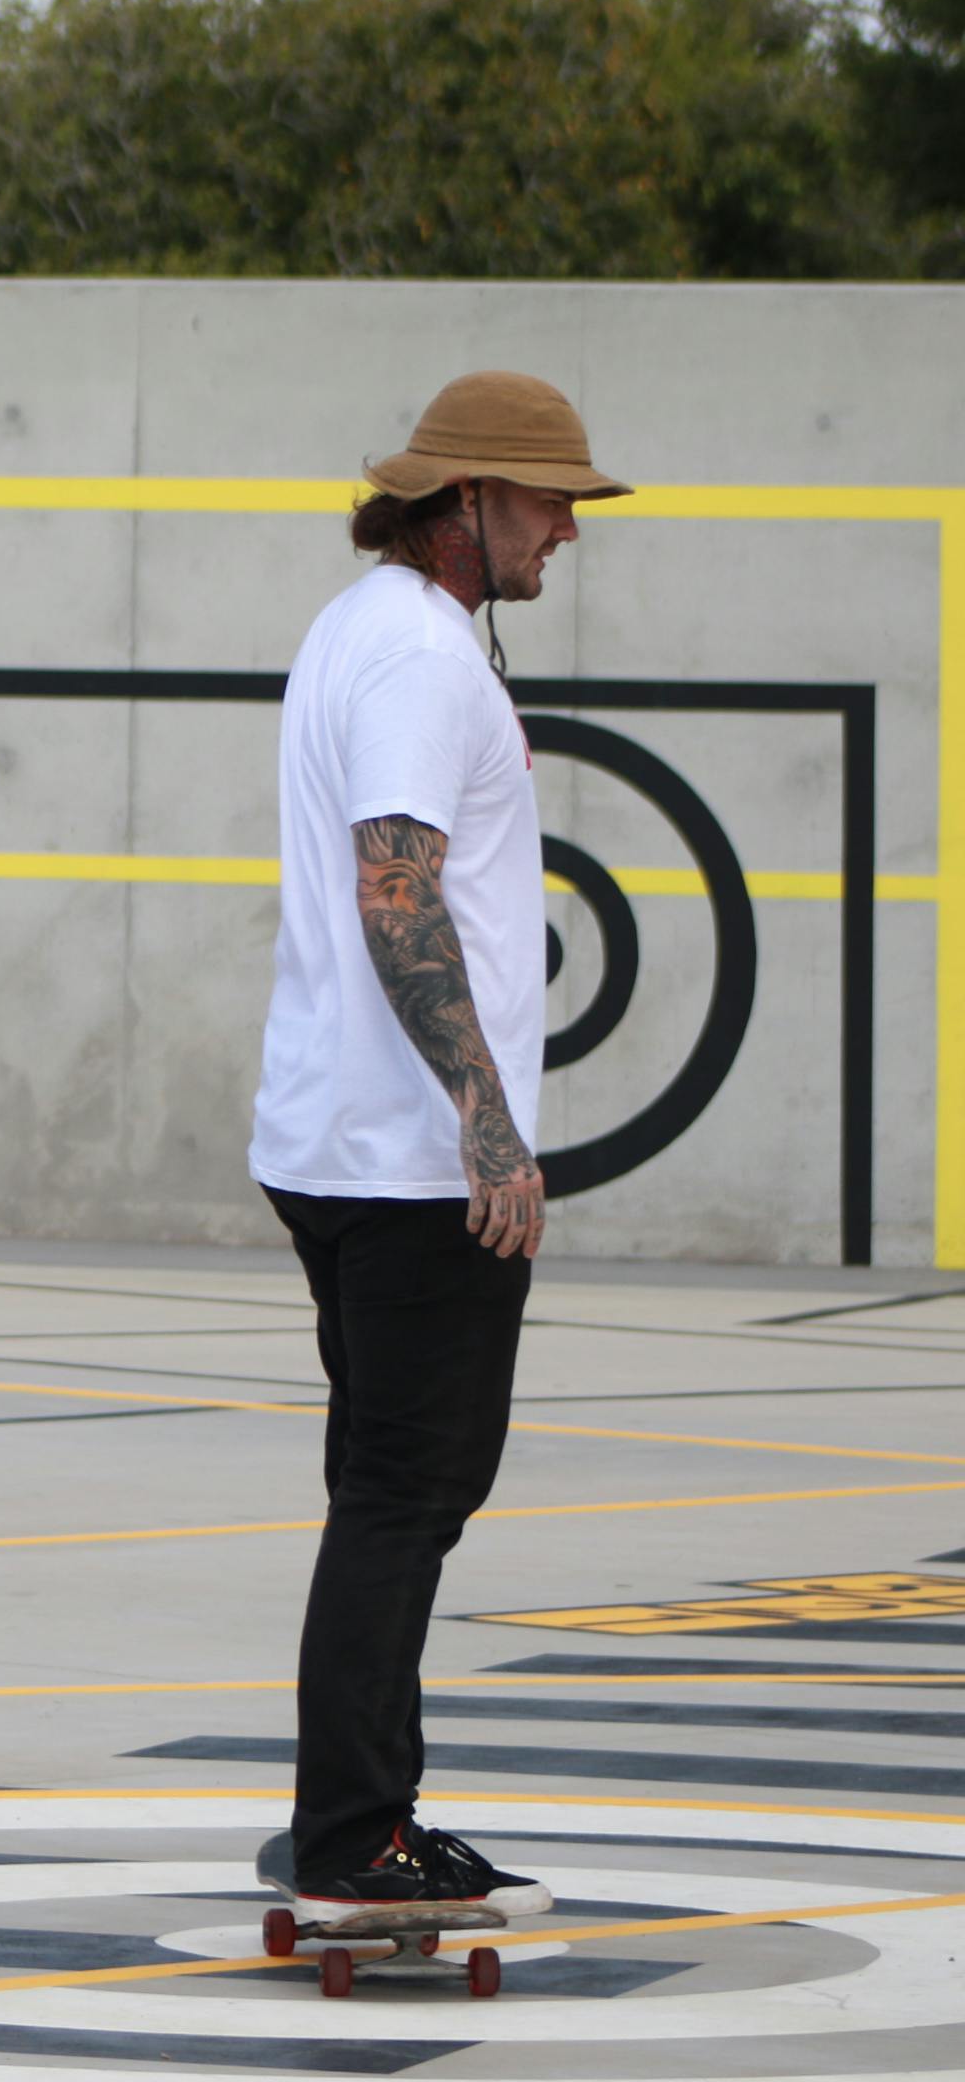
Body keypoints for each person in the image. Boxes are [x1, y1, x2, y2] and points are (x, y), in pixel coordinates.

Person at [247, 371, 628, 1924]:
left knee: (386, 1489)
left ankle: (361, 1810)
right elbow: (397, 890)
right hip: (408, 1162)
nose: (565, 532)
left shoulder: (363, 628)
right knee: (410, 1493)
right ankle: (354, 1834)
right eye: (545, 503)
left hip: (335, 1140)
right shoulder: (415, 656)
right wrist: (489, 1126)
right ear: (463, 503)